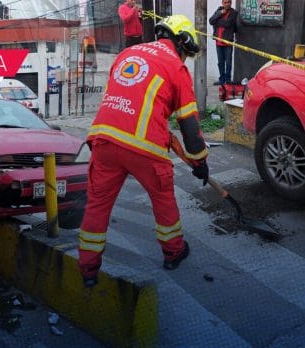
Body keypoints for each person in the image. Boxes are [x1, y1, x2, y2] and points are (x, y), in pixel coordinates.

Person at [78, 15, 209, 287]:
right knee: (163, 199)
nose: (185, 58)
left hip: (104, 138)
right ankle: (173, 253)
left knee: (97, 206)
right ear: (182, 41)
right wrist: (200, 162)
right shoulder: (175, 66)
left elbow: (126, 95)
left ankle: (88, 270)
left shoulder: (128, 53)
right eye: (186, 53)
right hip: (144, 146)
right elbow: (189, 121)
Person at [209, 0, 238, 85]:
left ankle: (228, 80)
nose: (227, 4)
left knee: (228, 63)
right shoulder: (219, 10)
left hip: (228, 41)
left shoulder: (234, 13)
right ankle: (222, 80)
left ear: (231, 3)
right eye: (225, 2)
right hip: (219, 41)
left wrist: (217, 22)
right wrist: (220, 13)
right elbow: (211, 21)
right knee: (220, 62)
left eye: (228, 2)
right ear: (222, 3)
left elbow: (228, 24)